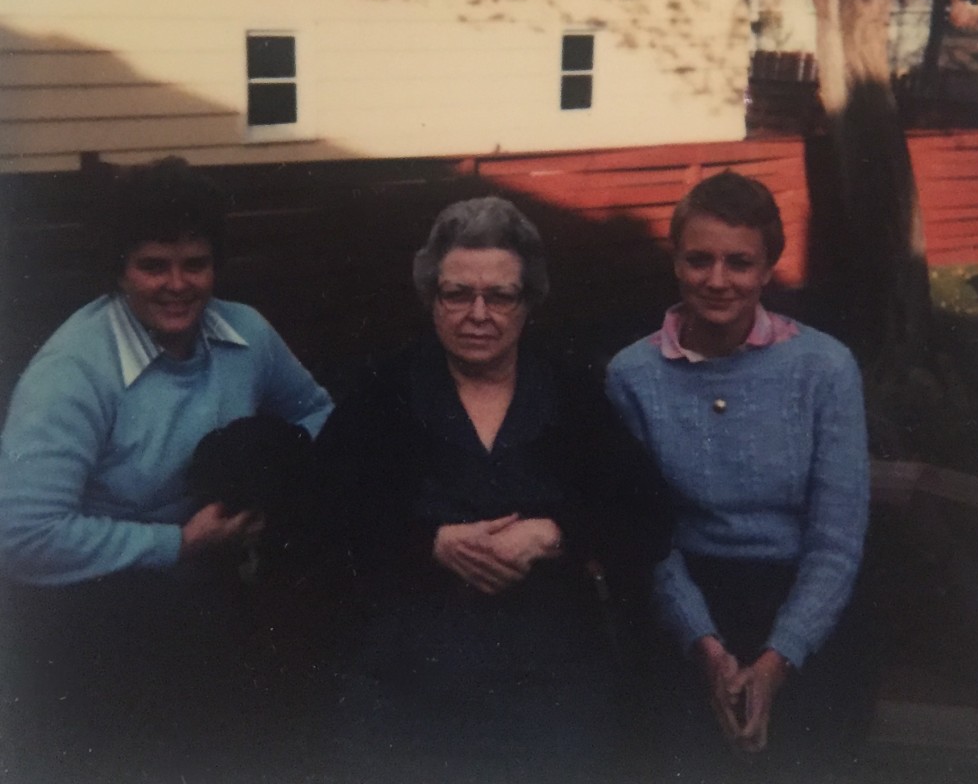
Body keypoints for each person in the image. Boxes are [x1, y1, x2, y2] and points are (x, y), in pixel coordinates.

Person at [312, 196, 672, 784]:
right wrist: (428, 542)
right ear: (432, 297)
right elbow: (318, 515)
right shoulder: (382, 392)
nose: (478, 313)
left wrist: (553, 533)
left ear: (529, 302)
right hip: (406, 700)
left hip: (551, 697)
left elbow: (648, 515)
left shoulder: (572, 392)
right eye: (457, 294)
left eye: (500, 295)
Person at [0, 156, 334, 782]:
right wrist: (177, 543)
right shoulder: (71, 374)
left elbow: (320, 416)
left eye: (195, 263)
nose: (178, 284)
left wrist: (275, 476)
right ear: (119, 271)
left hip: (230, 597)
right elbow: (20, 535)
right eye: (153, 264)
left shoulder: (247, 334)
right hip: (102, 622)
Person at [605, 170, 871, 775]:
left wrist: (779, 659)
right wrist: (707, 650)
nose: (718, 280)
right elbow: (649, 536)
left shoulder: (824, 369)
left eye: (739, 262)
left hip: (805, 605)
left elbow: (836, 542)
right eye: (699, 260)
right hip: (683, 604)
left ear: (768, 269)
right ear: (676, 263)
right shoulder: (633, 375)